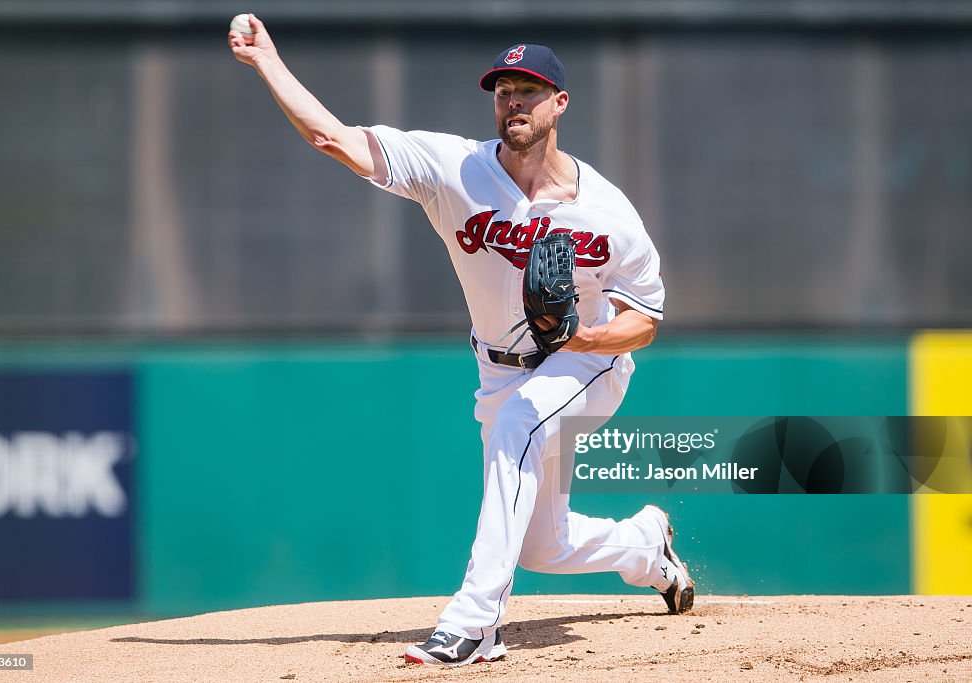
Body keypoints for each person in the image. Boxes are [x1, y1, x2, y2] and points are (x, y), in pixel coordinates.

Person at [229, 17, 695, 667]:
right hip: (498, 372)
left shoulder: (606, 212)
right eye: (503, 89)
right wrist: (268, 63)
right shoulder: (453, 169)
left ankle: (477, 621)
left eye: (529, 90)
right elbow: (328, 136)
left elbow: (645, 317)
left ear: (560, 102)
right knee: (542, 545)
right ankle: (646, 546)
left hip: (586, 364)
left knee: (522, 426)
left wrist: (586, 336)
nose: (513, 101)